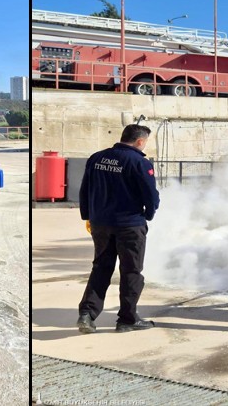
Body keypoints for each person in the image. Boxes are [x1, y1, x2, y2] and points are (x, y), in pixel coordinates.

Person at [77, 124, 160, 333]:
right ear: (140, 141)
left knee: (101, 267)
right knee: (131, 271)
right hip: (129, 225)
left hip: (100, 224)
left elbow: (84, 189)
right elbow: (150, 195)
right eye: (145, 143)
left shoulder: (96, 158)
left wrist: (88, 215)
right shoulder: (139, 162)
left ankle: (87, 315)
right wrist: (148, 215)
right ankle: (127, 319)